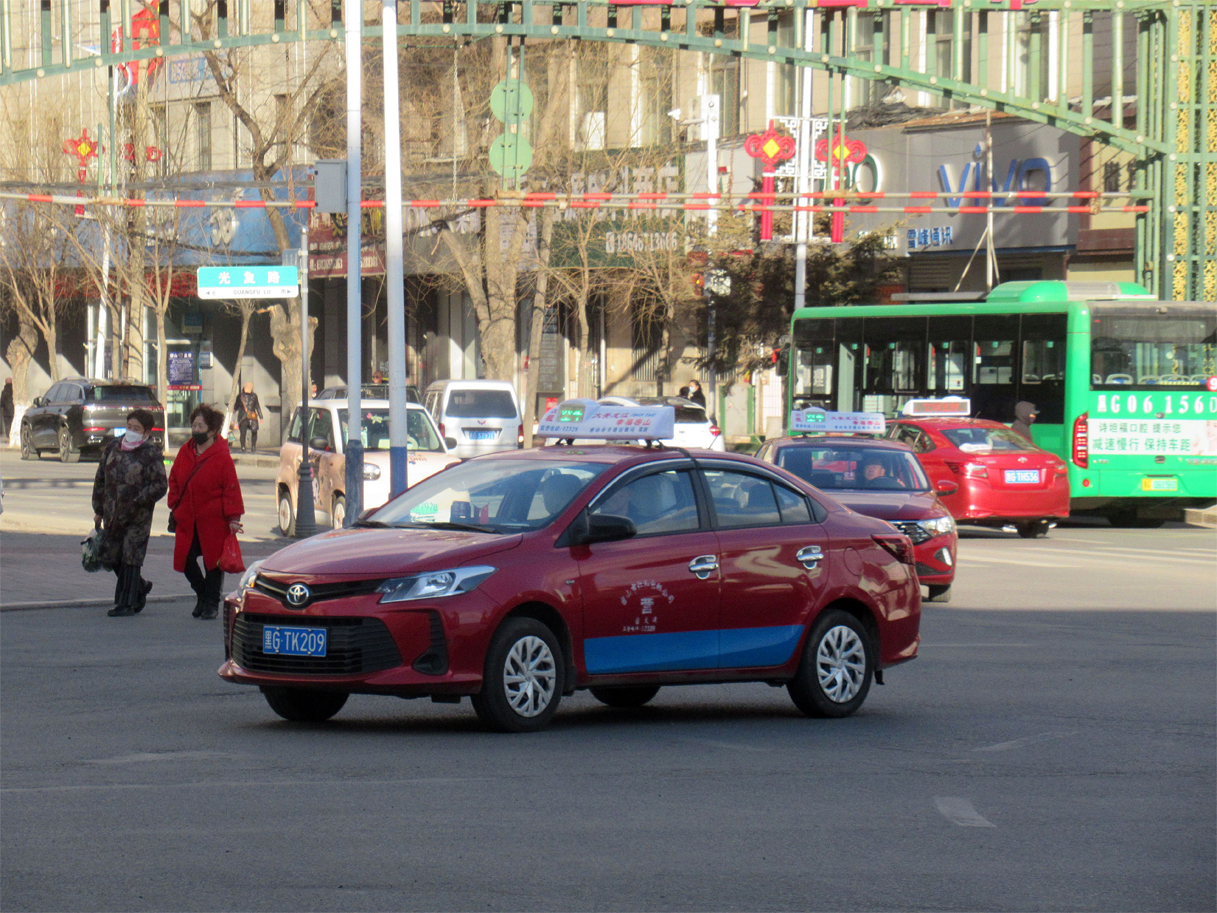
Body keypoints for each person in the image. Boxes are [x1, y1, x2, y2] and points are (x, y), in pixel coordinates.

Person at [168, 404, 244, 620]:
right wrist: (175, 503)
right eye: (194, 424)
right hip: (188, 518)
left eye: (200, 425)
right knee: (185, 560)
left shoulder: (222, 456)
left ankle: (211, 604)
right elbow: (174, 479)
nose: (196, 429)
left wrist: (233, 517)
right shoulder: (185, 451)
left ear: (211, 431)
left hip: (214, 520)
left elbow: (231, 488)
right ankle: (201, 593)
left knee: (213, 564)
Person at [91, 409, 168, 617]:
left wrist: (139, 500)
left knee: (130, 557)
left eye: (137, 429)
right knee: (112, 556)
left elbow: (160, 484)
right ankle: (139, 587)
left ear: (146, 432)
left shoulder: (150, 452)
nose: (131, 431)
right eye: (129, 427)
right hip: (113, 513)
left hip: (137, 516)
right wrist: (98, 509)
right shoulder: (113, 447)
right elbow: (100, 479)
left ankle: (125, 603)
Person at [236, 382, 264, 453]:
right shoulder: (240, 396)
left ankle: (253, 446)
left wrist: (261, 416)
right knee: (243, 433)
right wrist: (232, 411)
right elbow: (236, 405)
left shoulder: (254, 396)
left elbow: (257, 406)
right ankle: (243, 447)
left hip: (252, 416)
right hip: (243, 416)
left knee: (254, 431)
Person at [1, 376, 13, 442]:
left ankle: (9, 436)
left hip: (6, 412)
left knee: (7, 425)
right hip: (14, 411)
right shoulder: (15, 390)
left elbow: (2, 401)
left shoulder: (4, 391)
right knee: (12, 424)